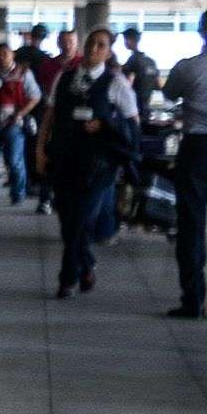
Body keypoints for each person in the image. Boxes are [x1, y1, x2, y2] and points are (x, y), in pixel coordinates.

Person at [42, 38, 140, 297]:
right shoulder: (65, 77)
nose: (93, 50)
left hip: (98, 166)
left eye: (101, 46)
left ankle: (68, 279)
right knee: (67, 221)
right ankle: (86, 265)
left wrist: (106, 124)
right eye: (90, 44)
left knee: (81, 221)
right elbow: (50, 116)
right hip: (64, 159)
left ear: (108, 52)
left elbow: (132, 124)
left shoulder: (115, 83)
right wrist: (40, 149)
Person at [161, 41, 207, 319]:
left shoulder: (188, 68)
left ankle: (192, 300)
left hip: (197, 149)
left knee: (191, 226)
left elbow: (168, 95)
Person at [0, 43, 39, 205]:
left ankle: (18, 193)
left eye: (5, 53)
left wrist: (20, 113)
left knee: (14, 160)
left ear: (12, 55)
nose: (1, 57)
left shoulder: (24, 74)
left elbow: (35, 96)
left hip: (14, 123)